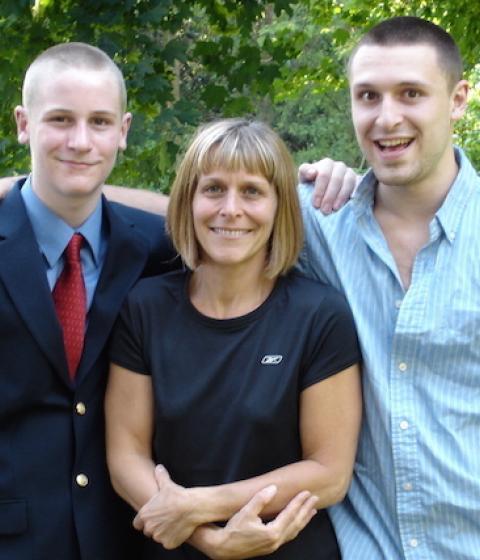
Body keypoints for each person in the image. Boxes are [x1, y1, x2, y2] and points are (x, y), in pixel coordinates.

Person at [105, 118, 362, 559]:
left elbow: (328, 474)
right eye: (213, 189)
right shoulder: (145, 307)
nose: (230, 209)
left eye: (252, 191)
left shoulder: (319, 315)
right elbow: (126, 455)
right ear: (188, 199)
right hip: (172, 546)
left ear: (280, 206)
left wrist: (201, 504)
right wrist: (209, 540)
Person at [298, 16, 480, 559]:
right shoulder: (319, 224)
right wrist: (36, 192)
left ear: (458, 99)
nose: (386, 117)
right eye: (368, 96)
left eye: (411, 93)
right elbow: (198, 214)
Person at [0, 42, 179, 560]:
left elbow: (241, 222)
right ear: (23, 123)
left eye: (100, 122)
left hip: (128, 539)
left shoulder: (159, 249)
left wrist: (329, 182)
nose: (81, 141)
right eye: (60, 119)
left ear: (123, 132)